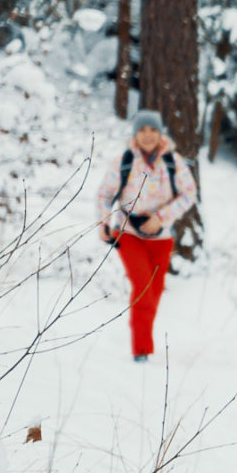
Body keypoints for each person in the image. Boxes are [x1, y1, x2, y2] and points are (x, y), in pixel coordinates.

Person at [96, 110, 196, 362]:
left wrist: (160, 218)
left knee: (154, 292)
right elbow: (105, 195)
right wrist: (104, 223)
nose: (148, 135)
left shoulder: (173, 162)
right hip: (128, 233)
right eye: (142, 130)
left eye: (153, 130)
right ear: (135, 134)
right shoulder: (125, 161)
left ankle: (142, 342)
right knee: (142, 288)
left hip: (162, 238)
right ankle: (141, 351)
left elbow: (188, 194)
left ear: (160, 133)